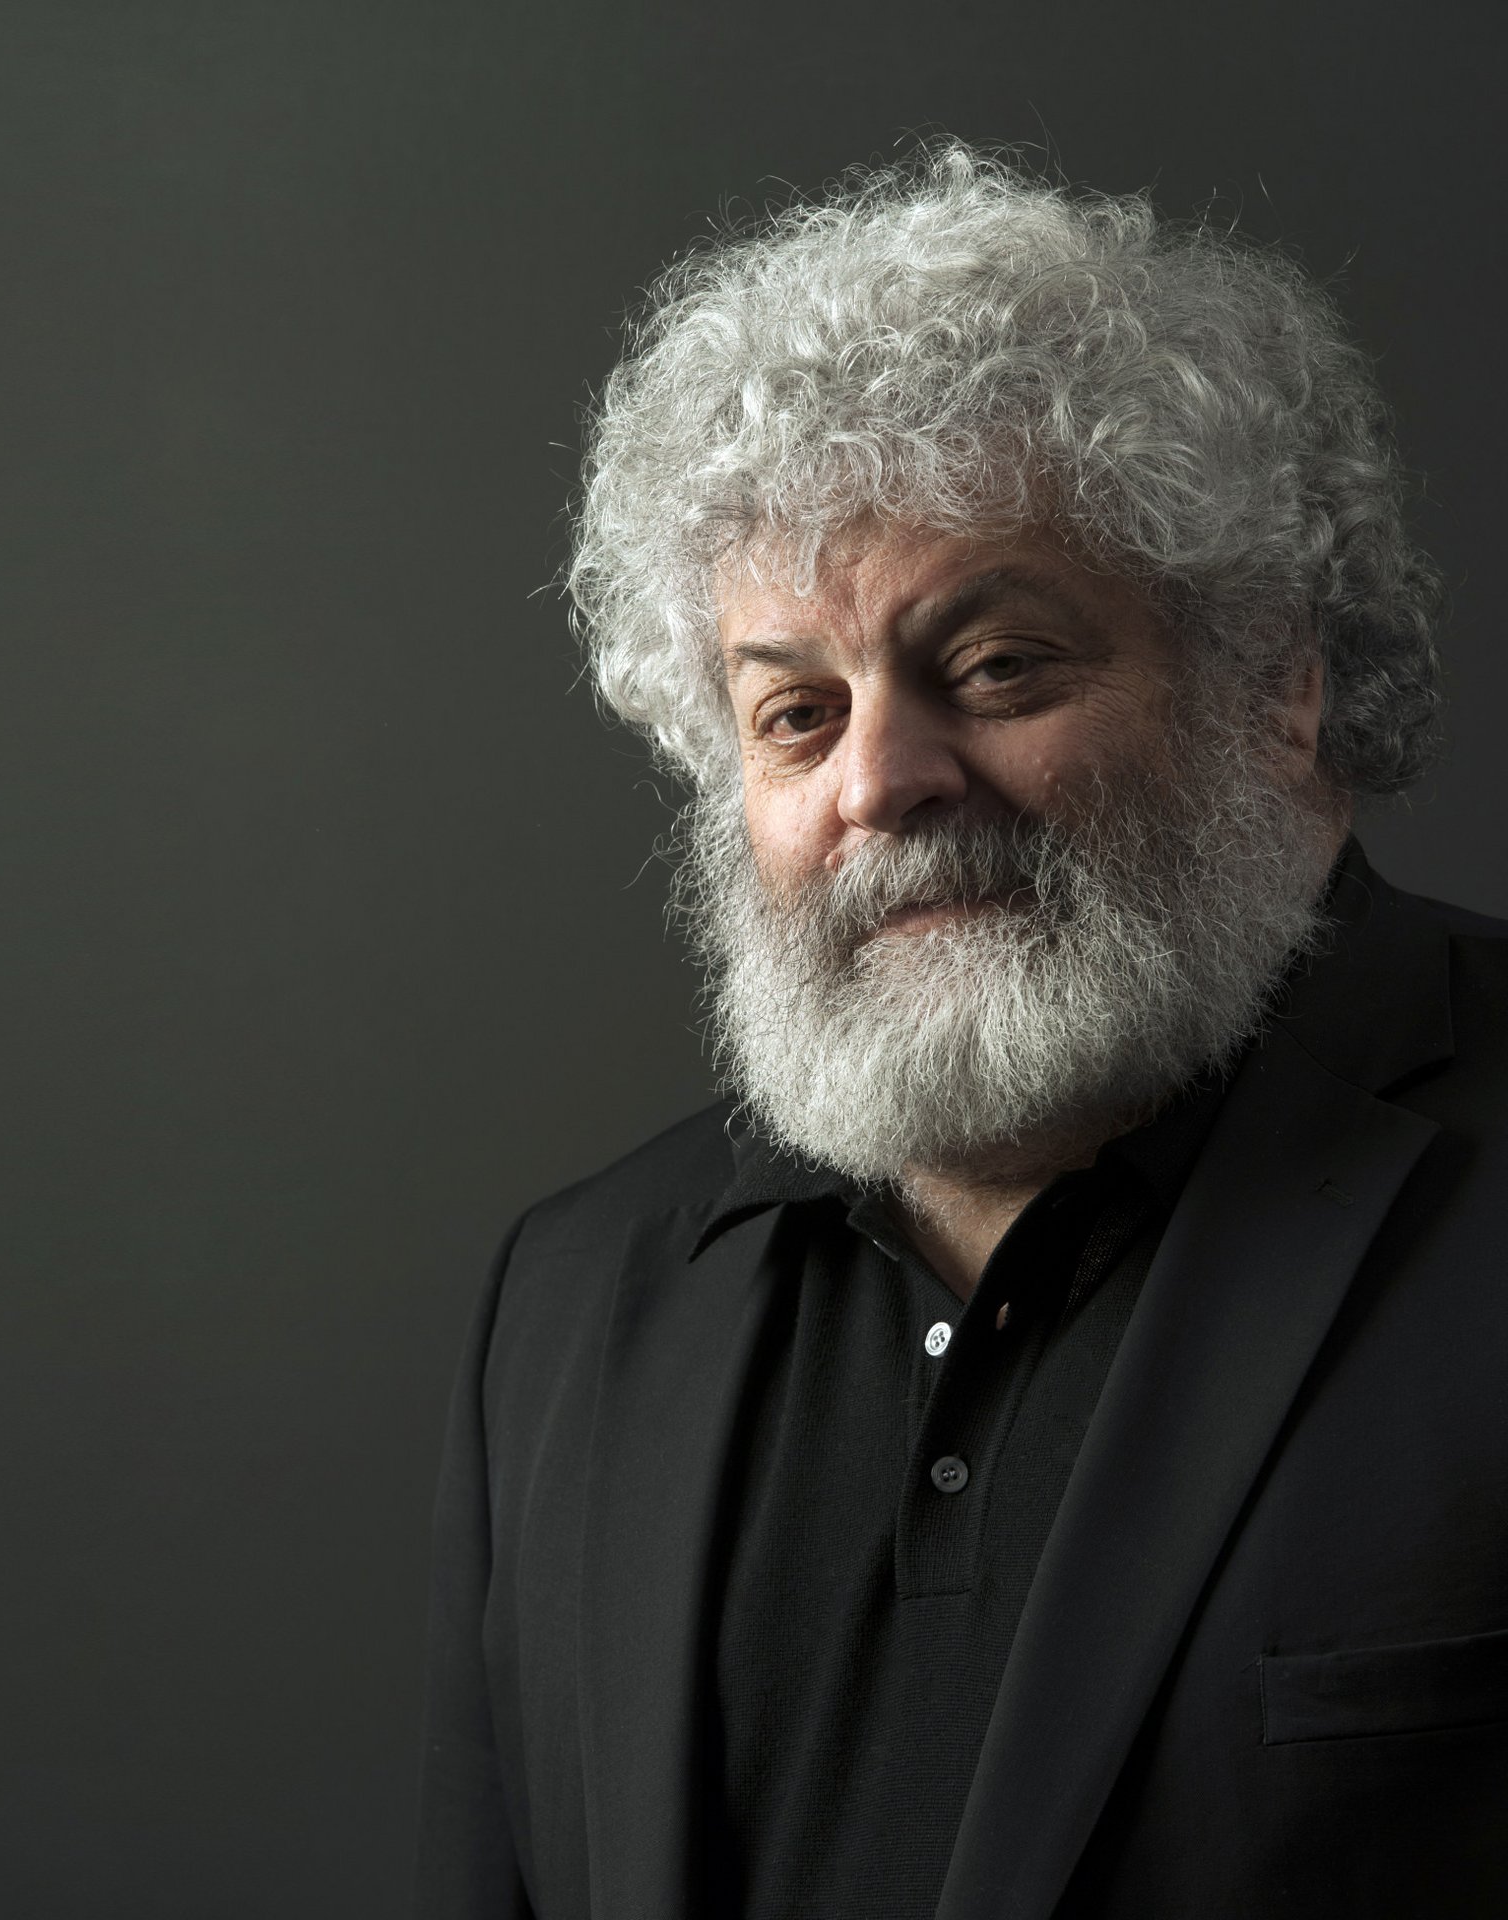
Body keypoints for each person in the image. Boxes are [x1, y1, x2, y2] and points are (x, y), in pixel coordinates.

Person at [414, 145, 1508, 1920]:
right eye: (794, 712)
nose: (881, 780)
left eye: (997, 667)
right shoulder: (577, 1299)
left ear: (1278, 686)